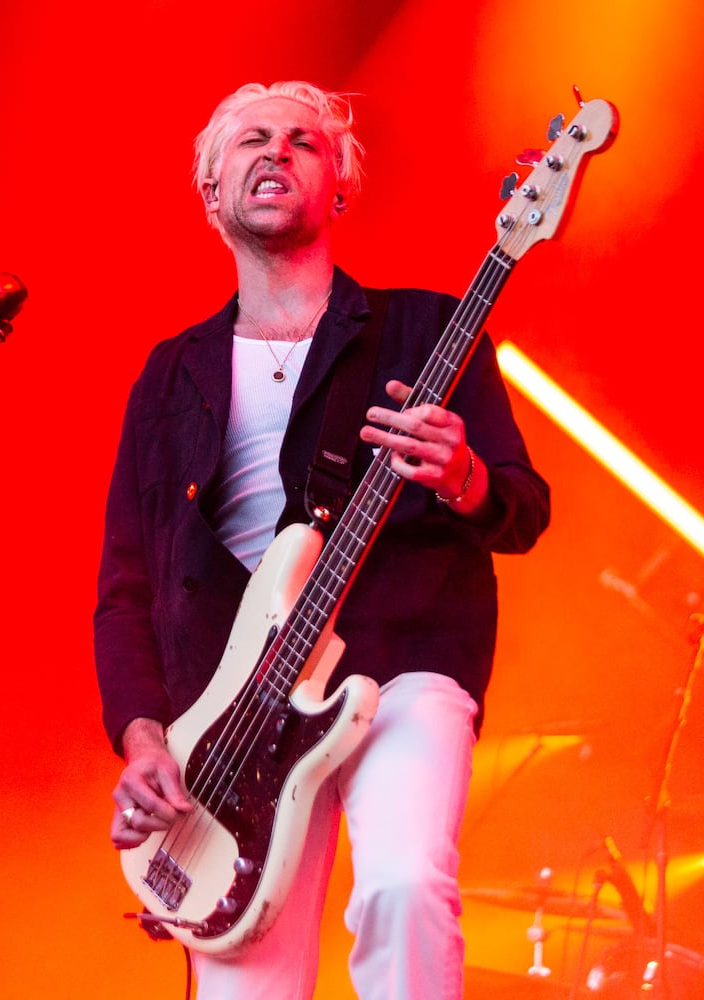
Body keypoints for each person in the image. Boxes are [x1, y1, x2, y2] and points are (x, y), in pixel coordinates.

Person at [93, 80, 550, 999]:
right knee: (243, 982)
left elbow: (524, 507)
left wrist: (461, 476)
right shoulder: (171, 373)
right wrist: (147, 740)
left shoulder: (423, 329)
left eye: (304, 141)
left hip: (398, 664)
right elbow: (127, 586)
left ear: (338, 184)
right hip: (231, 711)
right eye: (252, 140)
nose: (277, 152)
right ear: (211, 191)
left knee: (404, 886)